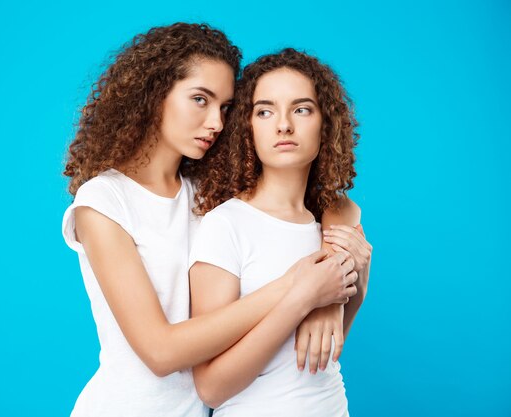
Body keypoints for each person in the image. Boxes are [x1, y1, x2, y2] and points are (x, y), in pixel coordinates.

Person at [62, 24, 358, 416]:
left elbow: (333, 203)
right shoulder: (103, 201)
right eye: (200, 100)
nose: (216, 122)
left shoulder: (205, 190)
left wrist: (328, 292)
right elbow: (160, 351)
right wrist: (298, 288)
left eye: (224, 108)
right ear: (153, 95)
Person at [189, 48, 372, 417]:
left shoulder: (332, 223)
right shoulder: (226, 225)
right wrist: (303, 299)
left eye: (302, 109)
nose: (284, 125)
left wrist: (350, 295)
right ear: (248, 127)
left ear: (326, 123)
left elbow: (319, 355)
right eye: (265, 111)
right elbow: (210, 388)